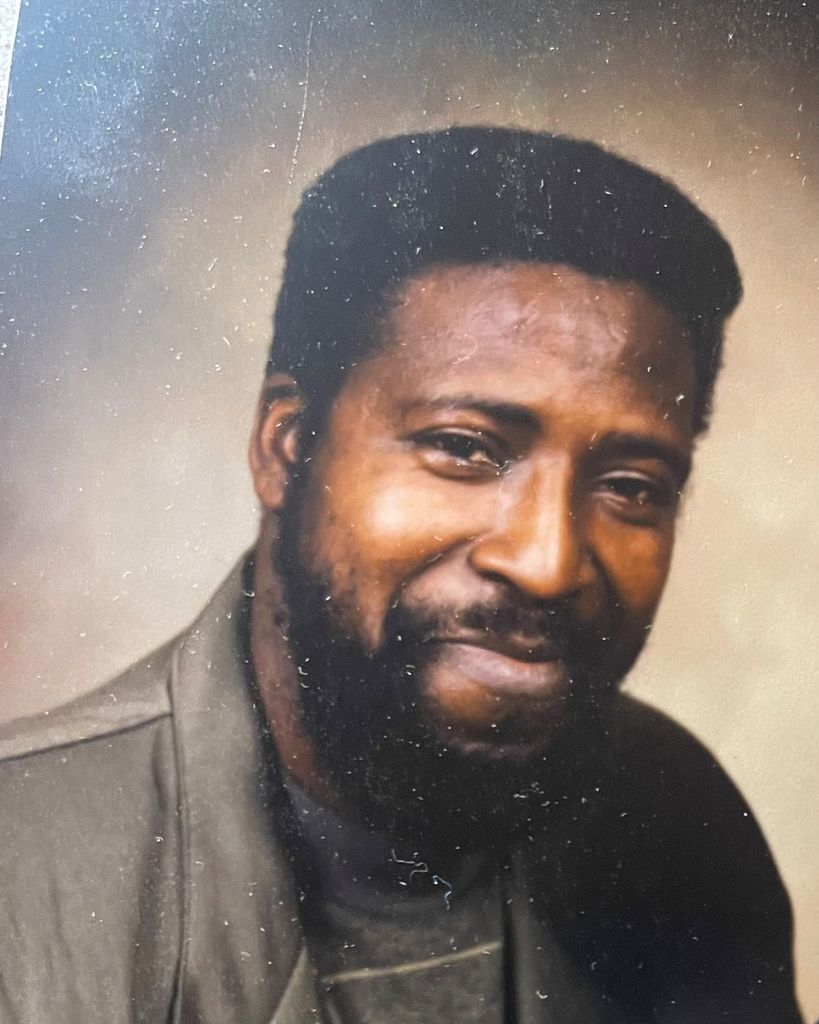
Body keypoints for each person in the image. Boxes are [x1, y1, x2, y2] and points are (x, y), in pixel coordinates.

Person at [0, 128, 803, 1024]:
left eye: (630, 487)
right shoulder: (18, 880)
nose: (546, 564)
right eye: (463, 448)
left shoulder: (677, 814)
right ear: (286, 446)